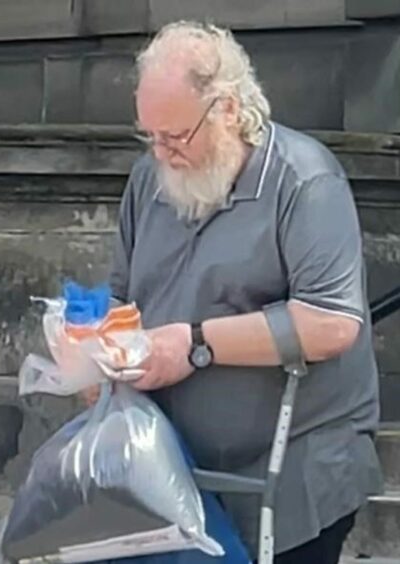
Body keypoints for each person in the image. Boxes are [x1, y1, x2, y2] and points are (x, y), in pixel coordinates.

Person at [109, 21, 383, 564]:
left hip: (293, 477)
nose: (161, 154)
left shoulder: (304, 181)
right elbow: (123, 298)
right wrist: (97, 351)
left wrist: (194, 344)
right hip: (174, 471)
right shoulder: (149, 179)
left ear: (227, 110)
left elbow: (331, 323)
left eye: (176, 136)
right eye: (150, 136)